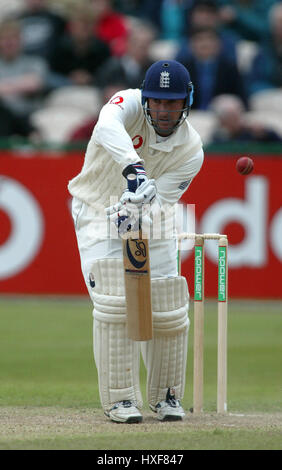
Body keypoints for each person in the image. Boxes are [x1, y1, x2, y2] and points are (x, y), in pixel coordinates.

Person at [68, 60, 204, 423]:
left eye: (171, 102)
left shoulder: (191, 150)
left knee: (167, 305)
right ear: (145, 99)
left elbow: (161, 200)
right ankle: (121, 400)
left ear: (185, 102)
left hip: (151, 216)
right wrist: (134, 167)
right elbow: (105, 125)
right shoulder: (126, 103)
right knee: (114, 302)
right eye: (157, 101)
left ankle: (166, 396)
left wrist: (138, 207)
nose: (162, 110)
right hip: (97, 209)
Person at [177, 26, 247, 110]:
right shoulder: (182, 69)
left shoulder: (229, 68)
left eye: (210, 39)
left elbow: (241, 98)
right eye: (199, 40)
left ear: (219, 44)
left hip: (221, 116)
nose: (205, 44)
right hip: (190, 115)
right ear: (191, 45)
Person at [49, 5, 111, 88]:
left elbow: (107, 74)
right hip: (63, 89)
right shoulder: (59, 47)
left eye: (89, 23)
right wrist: (69, 79)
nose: (85, 28)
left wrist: (91, 79)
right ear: (71, 26)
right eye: (81, 23)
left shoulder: (103, 49)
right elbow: (51, 74)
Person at [0, 19, 49, 118]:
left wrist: (4, 86)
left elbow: (34, 84)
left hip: (28, 116)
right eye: (4, 38)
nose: (9, 42)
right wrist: (20, 84)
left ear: (21, 40)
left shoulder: (35, 62)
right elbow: (26, 84)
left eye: (13, 38)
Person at [95, 19, 156, 89]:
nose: (140, 47)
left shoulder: (154, 70)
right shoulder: (112, 67)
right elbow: (100, 86)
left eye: (145, 44)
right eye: (136, 43)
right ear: (127, 43)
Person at [209, 94, 282, 142]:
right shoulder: (218, 136)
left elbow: (277, 144)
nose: (237, 120)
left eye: (238, 115)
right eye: (231, 117)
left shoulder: (251, 132)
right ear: (222, 121)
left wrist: (265, 133)